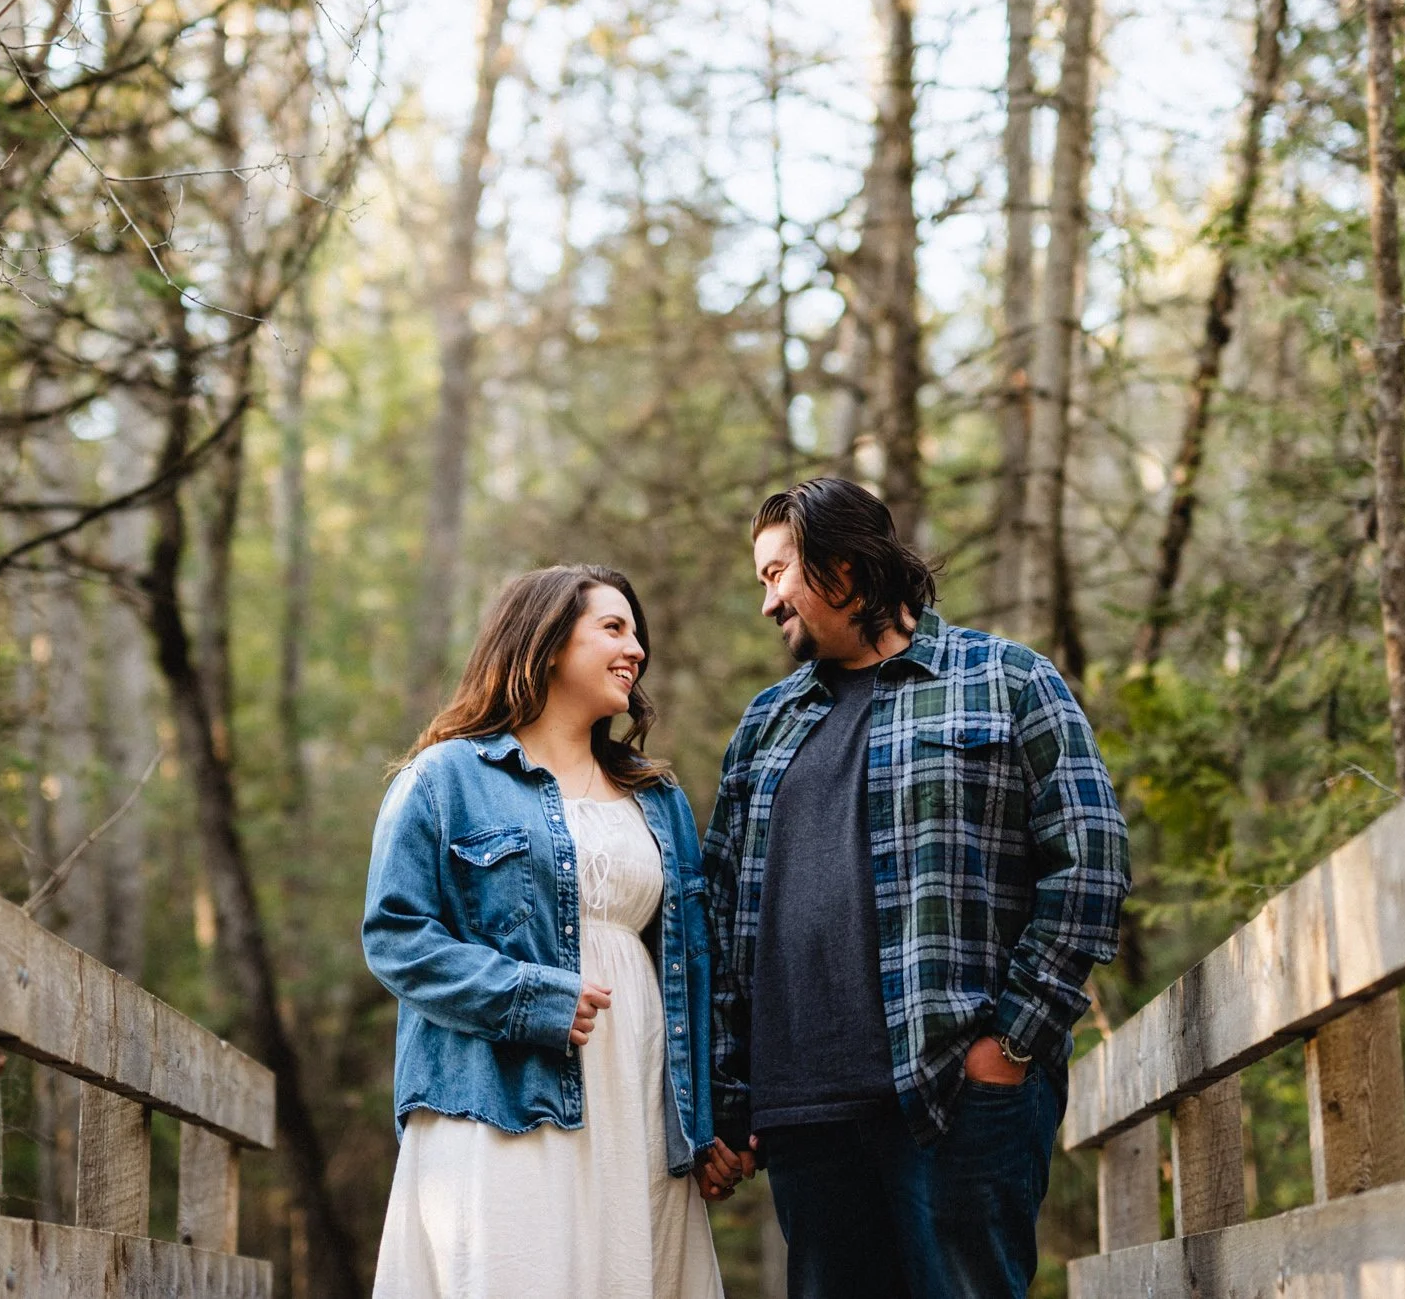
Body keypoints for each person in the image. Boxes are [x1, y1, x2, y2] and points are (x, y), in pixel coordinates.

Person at [696, 479, 1131, 1299]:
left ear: (846, 569)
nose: (768, 602)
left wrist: (1008, 1045)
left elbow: (1091, 862)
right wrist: (731, 1092)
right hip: (805, 1118)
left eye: (777, 573)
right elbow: (716, 914)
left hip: (954, 1100)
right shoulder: (765, 725)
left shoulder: (1007, 680)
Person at [364, 565, 723, 1299]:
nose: (637, 651)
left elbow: (695, 960)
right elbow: (395, 935)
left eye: (637, 634)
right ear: (550, 641)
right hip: (503, 1092)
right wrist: (533, 998)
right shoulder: (445, 777)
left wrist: (713, 1114)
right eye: (613, 628)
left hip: (639, 1094)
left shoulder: (657, 798)